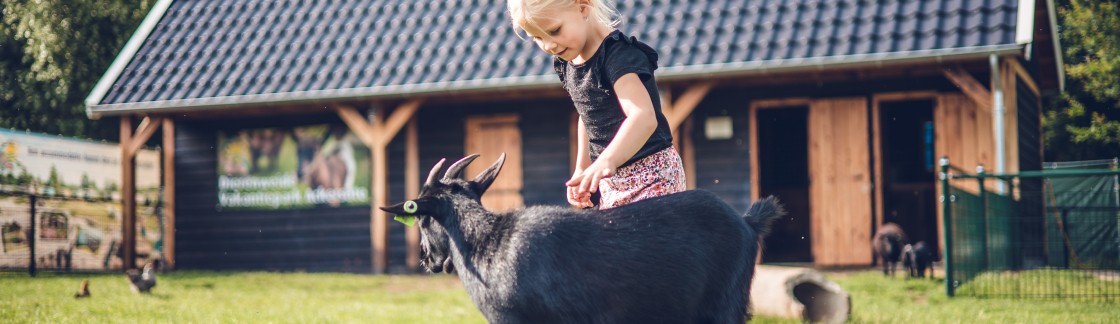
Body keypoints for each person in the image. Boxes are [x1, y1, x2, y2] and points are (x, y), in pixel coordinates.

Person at [507, 0, 685, 209]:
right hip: (613, 179)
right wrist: (582, 167)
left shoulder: (616, 55)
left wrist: (606, 160)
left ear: (583, 6)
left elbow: (642, 117)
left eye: (554, 30)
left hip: (653, 174)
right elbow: (588, 115)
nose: (549, 45)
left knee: (644, 239)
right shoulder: (568, 64)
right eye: (537, 37)